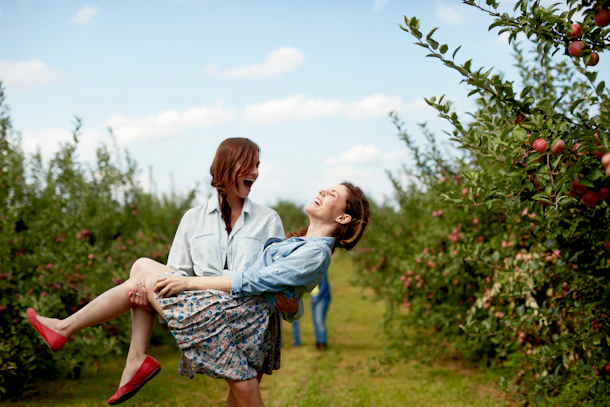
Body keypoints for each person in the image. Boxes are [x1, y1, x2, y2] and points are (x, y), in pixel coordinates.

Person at [27, 181, 370, 407]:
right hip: (238, 312)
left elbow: (253, 281)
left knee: (142, 275)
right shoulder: (300, 243)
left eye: (332, 194)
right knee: (141, 273)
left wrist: (188, 284)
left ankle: (94, 343)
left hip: (238, 316)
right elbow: (277, 289)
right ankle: (117, 353)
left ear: (342, 215)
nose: (323, 191)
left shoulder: (314, 250)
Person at [291, 272, 331, 350]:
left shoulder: (321, 271)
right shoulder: (312, 271)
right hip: (313, 298)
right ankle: (318, 342)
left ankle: (322, 343)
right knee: (315, 321)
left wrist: (317, 298)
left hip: (320, 298)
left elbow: (324, 286)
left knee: (319, 321)